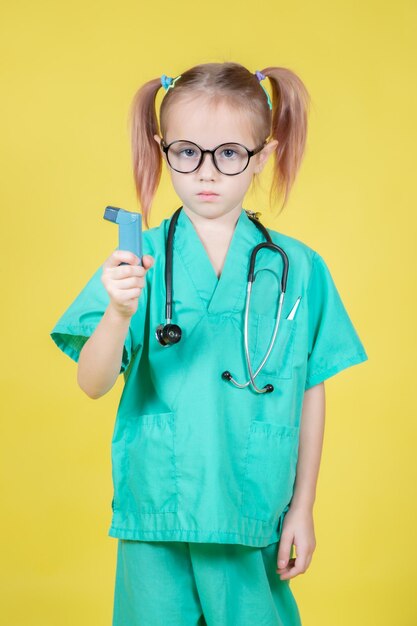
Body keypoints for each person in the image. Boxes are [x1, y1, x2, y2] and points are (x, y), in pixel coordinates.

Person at [50, 61, 368, 626]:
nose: (207, 172)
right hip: (158, 511)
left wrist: (303, 507)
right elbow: (92, 383)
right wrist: (120, 312)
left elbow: (309, 389)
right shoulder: (138, 262)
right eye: (186, 152)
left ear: (261, 156)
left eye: (228, 154)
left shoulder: (299, 268)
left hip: (251, 507)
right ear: (162, 149)